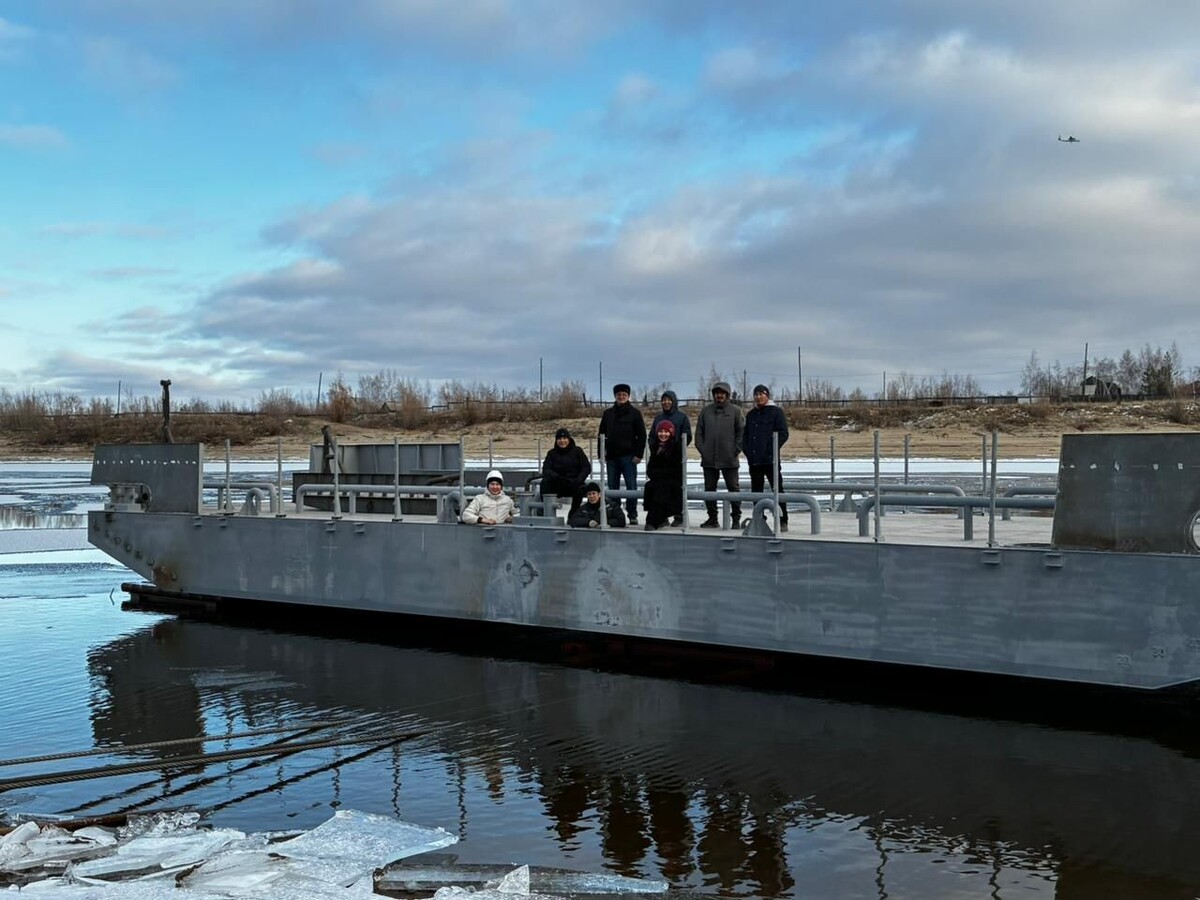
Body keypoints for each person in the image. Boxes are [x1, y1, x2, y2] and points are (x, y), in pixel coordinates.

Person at [694, 381, 744, 529]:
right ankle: (712, 518)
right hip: (709, 459)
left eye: (722, 393)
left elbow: (742, 432)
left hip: (730, 459)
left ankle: (735, 519)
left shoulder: (735, 411)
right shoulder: (706, 411)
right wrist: (703, 450)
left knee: (733, 490)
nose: (719, 396)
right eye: (717, 393)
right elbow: (699, 433)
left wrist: (735, 450)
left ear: (727, 395)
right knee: (709, 490)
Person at [597, 383, 646, 525]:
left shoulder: (635, 413)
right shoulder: (608, 414)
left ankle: (632, 514)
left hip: (629, 457)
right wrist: (601, 452)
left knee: (631, 487)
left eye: (624, 394)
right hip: (611, 457)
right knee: (613, 488)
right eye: (619, 395)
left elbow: (641, 435)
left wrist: (639, 454)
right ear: (615, 396)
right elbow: (601, 434)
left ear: (628, 396)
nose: (621, 397)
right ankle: (616, 513)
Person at [743, 384, 790, 532]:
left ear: (767, 395)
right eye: (756, 394)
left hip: (771, 460)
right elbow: (745, 437)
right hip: (755, 461)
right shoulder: (751, 415)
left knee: (778, 489)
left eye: (761, 394)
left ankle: (783, 519)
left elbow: (783, 433)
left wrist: (772, 449)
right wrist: (748, 452)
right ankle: (759, 518)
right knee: (756, 491)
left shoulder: (776, 412)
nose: (758, 397)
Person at [649, 390, 691, 526]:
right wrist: (655, 448)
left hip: (676, 458)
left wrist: (675, 448)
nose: (666, 402)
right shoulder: (658, 418)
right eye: (664, 400)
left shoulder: (682, 417)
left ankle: (679, 516)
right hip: (659, 457)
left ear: (673, 401)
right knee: (657, 487)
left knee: (677, 487)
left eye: (668, 400)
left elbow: (687, 435)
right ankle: (662, 516)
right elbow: (652, 436)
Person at [643, 420, 684, 530]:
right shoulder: (655, 447)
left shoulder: (676, 448)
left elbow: (675, 469)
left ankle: (651, 521)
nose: (663, 434)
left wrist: (660, 474)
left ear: (671, 433)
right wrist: (657, 474)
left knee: (661, 489)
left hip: (672, 481)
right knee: (650, 486)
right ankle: (659, 519)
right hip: (658, 480)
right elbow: (650, 469)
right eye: (660, 431)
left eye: (666, 432)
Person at [540, 427, 591, 513]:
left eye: (564, 438)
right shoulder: (552, 453)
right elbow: (546, 469)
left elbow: (586, 467)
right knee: (545, 483)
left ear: (569, 439)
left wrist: (579, 479)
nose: (562, 441)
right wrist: (557, 477)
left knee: (581, 488)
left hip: (574, 483)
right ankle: (545, 512)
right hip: (558, 483)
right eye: (559, 439)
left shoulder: (577, 451)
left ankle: (574, 513)